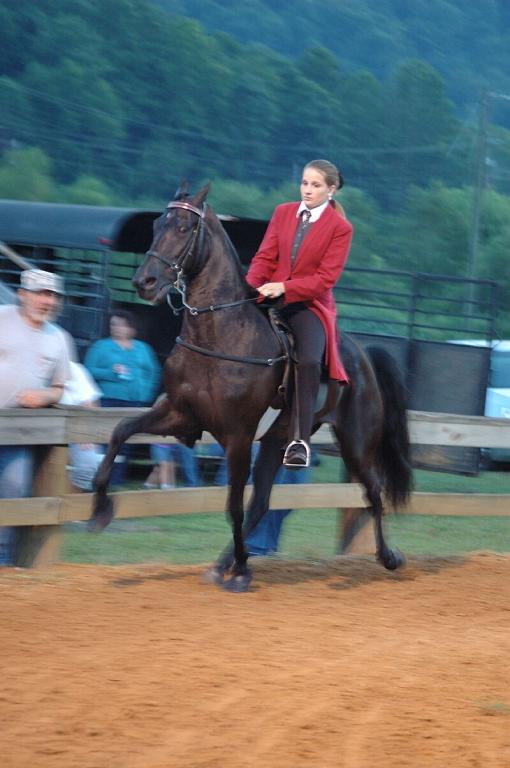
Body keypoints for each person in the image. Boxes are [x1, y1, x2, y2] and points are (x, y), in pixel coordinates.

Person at [246, 158, 353, 468]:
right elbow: (265, 257)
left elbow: (325, 280)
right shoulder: (282, 212)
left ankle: (299, 441)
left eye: (315, 185)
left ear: (331, 190)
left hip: (308, 304)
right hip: (268, 294)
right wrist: (249, 287)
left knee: (308, 361)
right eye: (305, 183)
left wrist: (284, 287)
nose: (307, 189)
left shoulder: (341, 228)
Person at [0, 269, 70, 566]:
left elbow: (59, 388)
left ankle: (3, 561)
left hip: (19, 431)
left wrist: (45, 396)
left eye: (53, 296)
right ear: (22, 294)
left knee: (15, 489)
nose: (48, 301)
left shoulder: (59, 338)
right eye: (41, 294)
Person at [84, 309, 161, 484]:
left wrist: (146, 393)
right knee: (106, 439)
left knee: (126, 441)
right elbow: (87, 371)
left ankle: (117, 479)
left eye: (122, 325)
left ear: (132, 328)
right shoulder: (101, 346)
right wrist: (110, 372)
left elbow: (154, 372)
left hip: (135, 403)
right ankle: (100, 478)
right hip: (109, 400)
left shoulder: (143, 348)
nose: (117, 328)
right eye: (114, 324)